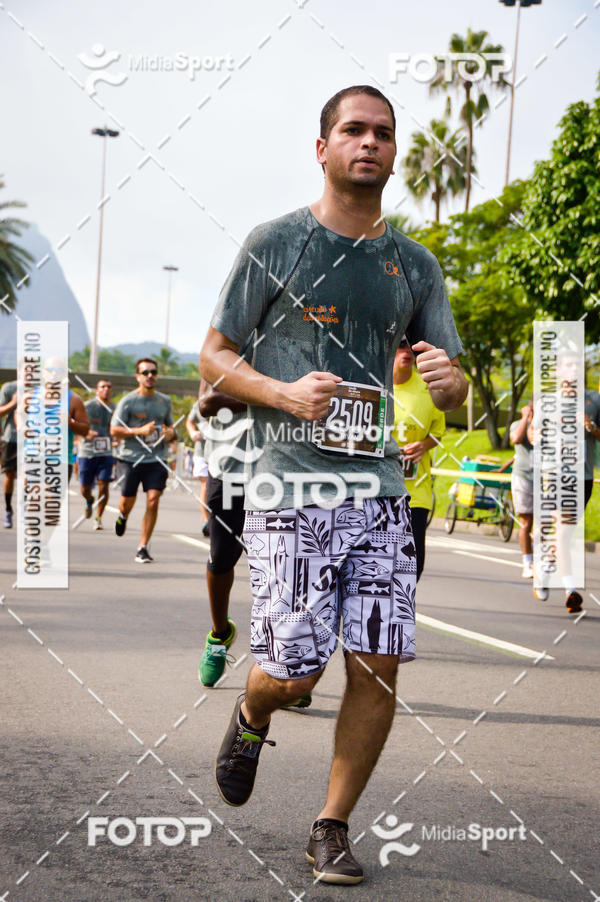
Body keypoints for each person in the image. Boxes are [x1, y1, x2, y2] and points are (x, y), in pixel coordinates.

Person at [199, 85, 466, 884]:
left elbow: (456, 391)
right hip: (289, 488)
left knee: (379, 663)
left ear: (394, 152)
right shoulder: (275, 243)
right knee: (295, 674)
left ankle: (332, 825)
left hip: (379, 490)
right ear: (323, 149)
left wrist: (452, 383)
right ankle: (253, 709)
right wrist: (283, 394)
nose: (369, 142)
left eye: (383, 132)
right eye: (353, 130)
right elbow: (213, 356)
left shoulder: (414, 265)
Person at [110, 358, 176, 563]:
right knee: (126, 503)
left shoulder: (164, 401)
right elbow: (114, 430)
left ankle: (143, 546)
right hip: (130, 459)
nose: (150, 376)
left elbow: (171, 429)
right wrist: (139, 431)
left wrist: (169, 434)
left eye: (153, 372)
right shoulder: (128, 401)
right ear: (138, 376)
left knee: (153, 500)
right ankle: (123, 516)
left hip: (156, 459)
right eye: (145, 372)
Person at [392, 339, 445, 580]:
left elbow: (438, 432)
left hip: (416, 489)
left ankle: (405, 601)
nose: (407, 351)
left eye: (412, 347)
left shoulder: (428, 388)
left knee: (414, 563)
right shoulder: (377, 385)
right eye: (401, 345)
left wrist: (423, 445)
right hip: (378, 489)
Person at [78, 379, 115, 529]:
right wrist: (85, 433)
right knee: (85, 488)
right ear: (97, 390)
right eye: (102, 387)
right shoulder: (87, 406)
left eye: (109, 387)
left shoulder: (115, 409)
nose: (106, 389)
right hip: (87, 452)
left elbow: (119, 427)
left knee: (103, 484)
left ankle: (98, 517)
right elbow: (73, 423)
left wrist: (117, 438)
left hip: (106, 452)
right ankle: (89, 500)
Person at [509, 401, 534, 580]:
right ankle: (527, 563)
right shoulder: (517, 424)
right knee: (526, 523)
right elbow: (516, 439)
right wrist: (525, 418)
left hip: (545, 479)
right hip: (523, 477)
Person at [186, 395, 210, 537]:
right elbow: (189, 421)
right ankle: (207, 521)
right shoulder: (201, 402)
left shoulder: (230, 398)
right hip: (202, 451)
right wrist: (192, 432)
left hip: (224, 452)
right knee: (206, 485)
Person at [0, 379, 17, 528]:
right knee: (10, 475)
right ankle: (8, 509)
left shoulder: (42, 389)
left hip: (34, 440)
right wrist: (13, 403)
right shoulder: (9, 387)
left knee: (29, 476)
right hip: (11, 438)